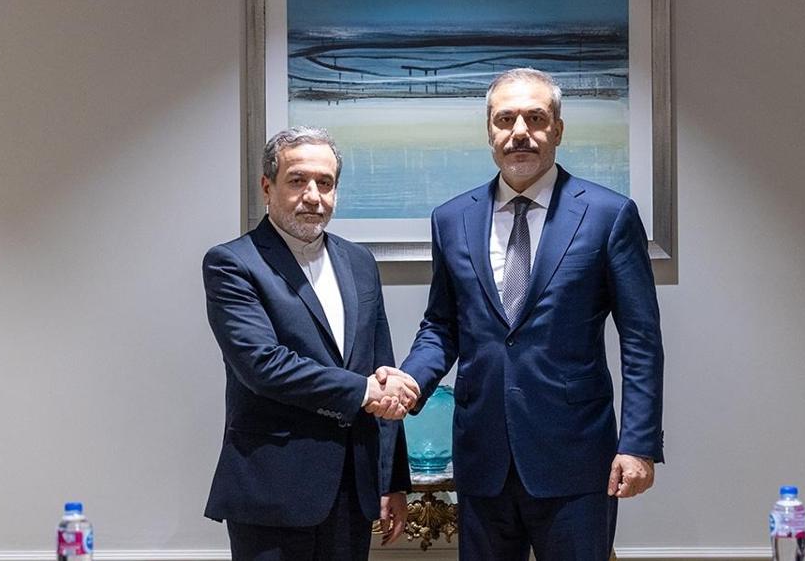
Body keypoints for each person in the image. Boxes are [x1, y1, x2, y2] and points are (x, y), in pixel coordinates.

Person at [384, 68, 665, 560]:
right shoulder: (451, 218)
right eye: (505, 119)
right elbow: (442, 326)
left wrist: (638, 443)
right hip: (482, 457)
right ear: (489, 131)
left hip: (576, 457)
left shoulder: (608, 214)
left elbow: (641, 340)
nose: (520, 132)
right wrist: (410, 380)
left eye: (535, 118)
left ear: (558, 129)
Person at [202, 127, 416, 560]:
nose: (313, 196)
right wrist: (362, 391)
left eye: (325, 182)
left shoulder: (360, 261)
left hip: (353, 491)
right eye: (298, 180)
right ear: (267, 187)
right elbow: (263, 365)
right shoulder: (232, 263)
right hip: (272, 491)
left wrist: (391, 480)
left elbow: (381, 367)